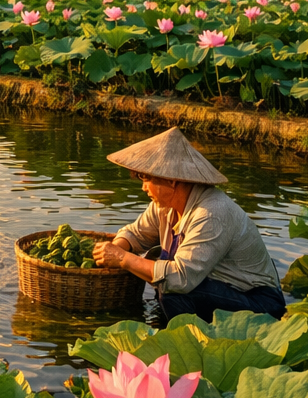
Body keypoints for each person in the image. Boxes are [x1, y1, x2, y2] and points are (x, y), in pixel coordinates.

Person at [92, 126, 285, 320]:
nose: (143, 187)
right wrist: (113, 250)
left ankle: (193, 342)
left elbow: (181, 279)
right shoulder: (163, 206)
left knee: (173, 291)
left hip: (258, 302)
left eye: (147, 178)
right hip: (214, 288)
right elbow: (137, 234)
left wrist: (123, 259)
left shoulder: (211, 213)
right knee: (158, 273)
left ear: (172, 180)